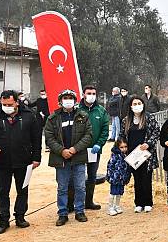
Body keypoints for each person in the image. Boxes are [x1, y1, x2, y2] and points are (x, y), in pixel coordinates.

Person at [0, 90, 41, 234]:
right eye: (3, 104)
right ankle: (3, 220)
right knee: (3, 192)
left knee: (22, 190)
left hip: (24, 161)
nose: (6, 106)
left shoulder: (29, 116)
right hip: (2, 162)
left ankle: (20, 217)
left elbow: (36, 138)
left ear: (16, 102)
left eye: (9, 104)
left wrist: (36, 158)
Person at [44, 89, 93, 226]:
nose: (68, 100)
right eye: (65, 98)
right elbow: (49, 137)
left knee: (80, 186)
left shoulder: (83, 116)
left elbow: (88, 136)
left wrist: (74, 149)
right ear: (60, 101)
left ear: (75, 100)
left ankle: (79, 211)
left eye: (70, 98)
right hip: (61, 158)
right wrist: (62, 151)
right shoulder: (53, 118)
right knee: (62, 188)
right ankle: (63, 213)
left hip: (78, 157)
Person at [121, 96, 159, 213]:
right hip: (133, 154)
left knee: (146, 178)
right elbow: (122, 135)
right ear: (131, 106)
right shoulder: (126, 120)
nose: (137, 105)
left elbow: (156, 132)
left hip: (146, 154)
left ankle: (148, 202)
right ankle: (138, 203)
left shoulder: (149, 118)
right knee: (137, 179)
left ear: (143, 104)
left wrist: (148, 143)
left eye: (139, 103)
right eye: (134, 103)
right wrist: (123, 147)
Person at [78, 85, 110, 210]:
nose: (91, 95)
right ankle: (73, 203)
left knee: (92, 176)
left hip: (94, 150)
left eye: (93, 93)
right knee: (77, 177)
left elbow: (105, 130)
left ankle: (89, 201)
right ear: (83, 94)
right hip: (79, 150)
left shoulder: (101, 111)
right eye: (88, 93)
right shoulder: (77, 110)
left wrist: (99, 144)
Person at [105, 139, 131, 216]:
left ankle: (117, 206)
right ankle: (110, 208)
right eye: (121, 147)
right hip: (115, 178)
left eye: (125, 147)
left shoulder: (126, 155)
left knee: (120, 192)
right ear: (117, 147)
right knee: (113, 192)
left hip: (122, 178)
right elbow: (110, 166)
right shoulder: (115, 155)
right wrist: (112, 176)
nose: (124, 149)